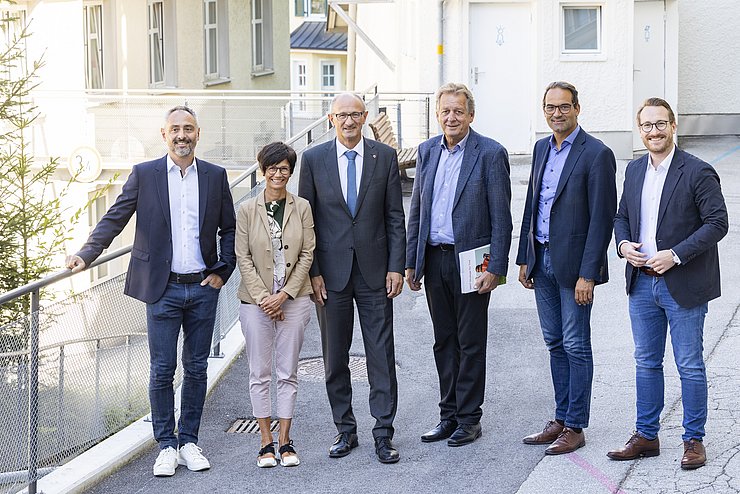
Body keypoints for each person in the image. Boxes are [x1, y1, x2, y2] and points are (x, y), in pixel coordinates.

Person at [66, 106, 236, 477]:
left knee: (195, 368)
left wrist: (224, 271)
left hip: (203, 288)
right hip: (162, 290)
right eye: (175, 129)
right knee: (161, 370)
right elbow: (115, 217)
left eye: (188, 129)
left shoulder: (214, 176)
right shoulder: (145, 175)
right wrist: (86, 253)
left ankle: (189, 441)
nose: (181, 135)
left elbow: (229, 228)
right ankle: (165, 445)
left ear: (198, 133)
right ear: (164, 135)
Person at [608, 98, 728, 469]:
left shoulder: (698, 171)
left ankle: (693, 439)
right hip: (641, 283)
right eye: (647, 125)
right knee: (646, 362)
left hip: (683, 283)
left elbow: (717, 223)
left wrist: (675, 254)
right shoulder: (634, 170)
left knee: (689, 364)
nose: (654, 131)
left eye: (661, 124)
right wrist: (624, 244)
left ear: (673, 126)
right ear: (639, 130)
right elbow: (622, 216)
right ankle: (646, 435)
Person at [298, 93, 406, 464]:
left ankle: (383, 433)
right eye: (342, 115)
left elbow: (395, 216)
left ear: (364, 118)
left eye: (355, 115)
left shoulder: (384, 156)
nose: (349, 122)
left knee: (381, 354)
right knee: (334, 358)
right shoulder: (312, 160)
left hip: (377, 272)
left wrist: (396, 266)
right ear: (331, 119)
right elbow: (305, 223)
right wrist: (312, 273)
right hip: (331, 275)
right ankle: (345, 430)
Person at [406, 82, 512, 447]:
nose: (451, 117)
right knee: (443, 341)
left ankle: (469, 418)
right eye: (445, 111)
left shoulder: (490, 153)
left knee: (470, 342)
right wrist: (411, 262)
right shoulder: (427, 151)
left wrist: (495, 268)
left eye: (458, 111)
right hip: (434, 259)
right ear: (438, 115)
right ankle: (447, 415)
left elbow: (502, 217)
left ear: (471, 115)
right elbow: (417, 209)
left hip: (472, 262)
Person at [516, 82, 617, 455]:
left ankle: (575, 425)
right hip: (541, 261)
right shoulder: (542, 147)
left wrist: (588, 274)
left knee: (575, 345)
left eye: (563, 107)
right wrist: (525, 256)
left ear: (577, 108)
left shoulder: (597, 154)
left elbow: (602, 219)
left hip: (575, 269)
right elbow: (532, 204)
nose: (556, 113)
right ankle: (560, 417)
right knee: (554, 342)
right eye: (550, 107)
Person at [236, 142, 315, 468]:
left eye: (283, 168)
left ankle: (285, 441)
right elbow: (243, 256)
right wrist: (265, 298)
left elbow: (308, 253)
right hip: (255, 303)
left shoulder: (303, 207)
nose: (277, 173)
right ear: (262, 170)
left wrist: (284, 295)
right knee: (260, 372)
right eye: (272, 168)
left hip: (294, 300)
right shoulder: (247, 210)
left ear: (290, 171)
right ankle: (265, 441)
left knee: (287, 372)